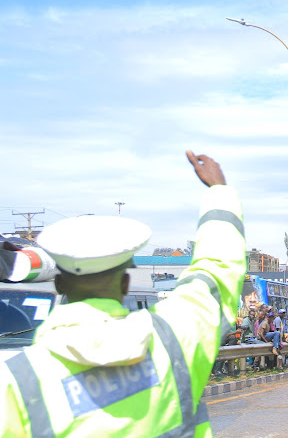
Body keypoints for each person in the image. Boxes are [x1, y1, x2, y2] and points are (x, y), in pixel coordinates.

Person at [0, 150, 246, 436]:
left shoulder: (17, 383)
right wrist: (219, 191)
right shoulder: (173, 338)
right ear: (125, 284)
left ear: (60, 285)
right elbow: (218, 268)